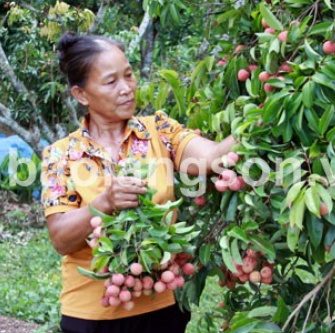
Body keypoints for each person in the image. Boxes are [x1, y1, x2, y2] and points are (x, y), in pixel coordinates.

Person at [40, 32, 236, 333]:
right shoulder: (61, 155)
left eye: (129, 76)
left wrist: (253, 123)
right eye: (111, 82)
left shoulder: (159, 130)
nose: (127, 89)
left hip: (161, 308)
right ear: (82, 95)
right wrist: (104, 203)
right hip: (92, 317)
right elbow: (61, 238)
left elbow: (213, 158)